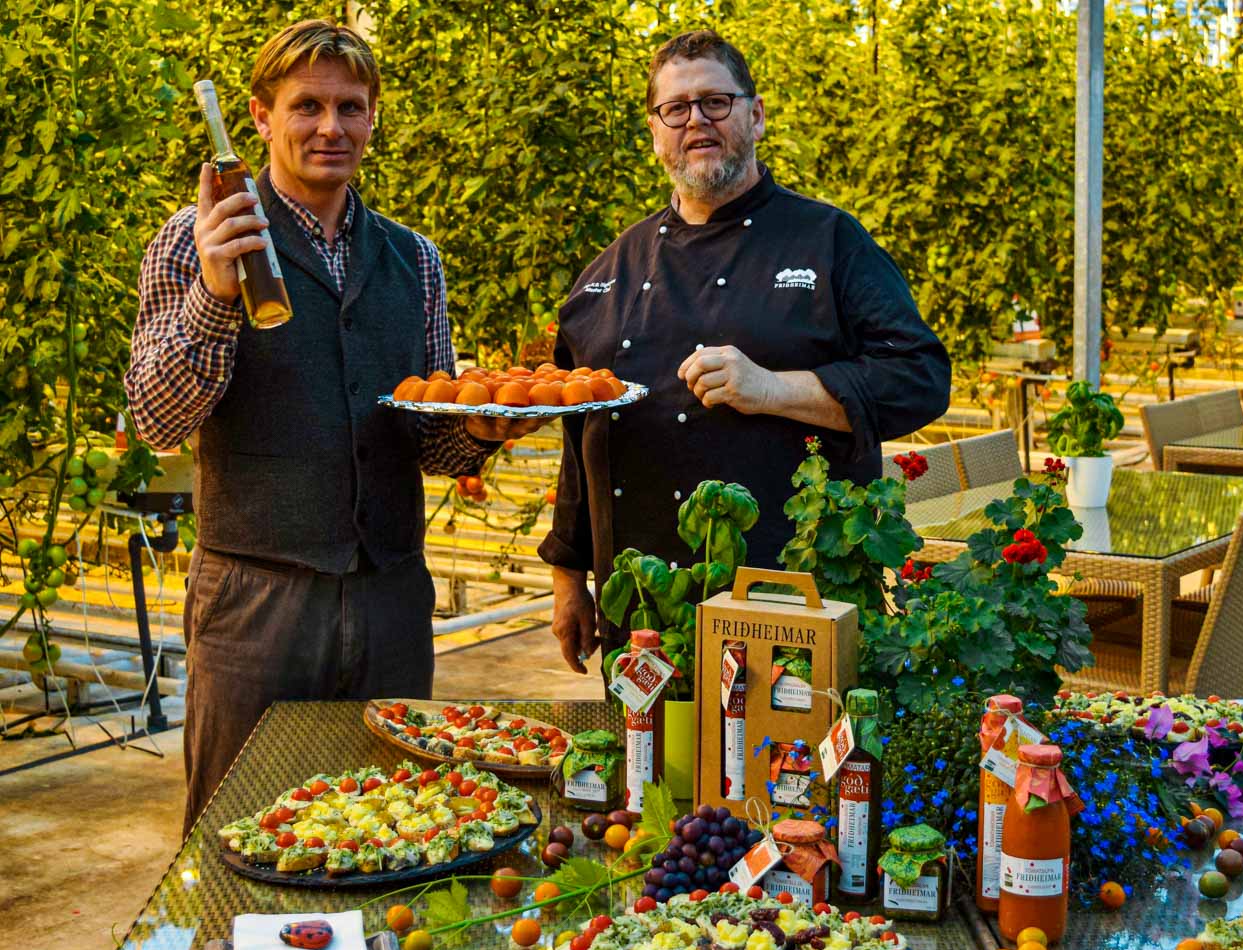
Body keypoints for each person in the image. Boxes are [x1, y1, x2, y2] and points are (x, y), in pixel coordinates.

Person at [125, 20, 539, 834]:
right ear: (260, 117)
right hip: (256, 604)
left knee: (399, 823)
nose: (330, 127)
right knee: (240, 827)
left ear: (373, 118)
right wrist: (214, 295)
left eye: (350, 107)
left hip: (390, 598)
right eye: (306, 106)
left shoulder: (414, 260)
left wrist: (485, 431)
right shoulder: (196, 239)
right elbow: (158, 416)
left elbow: (430, 442)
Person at [541, 29, 951, 672]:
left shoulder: (829, 240)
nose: (695, 121)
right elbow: (580, 432)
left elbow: (919, 377)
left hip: (792, 606)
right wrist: (568, 573)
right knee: (649, 742)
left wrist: (774, 389)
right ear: (654, 131)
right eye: (675, 108)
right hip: (642, 608)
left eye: (716, 101)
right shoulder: (612, 268)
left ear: (755, 115)